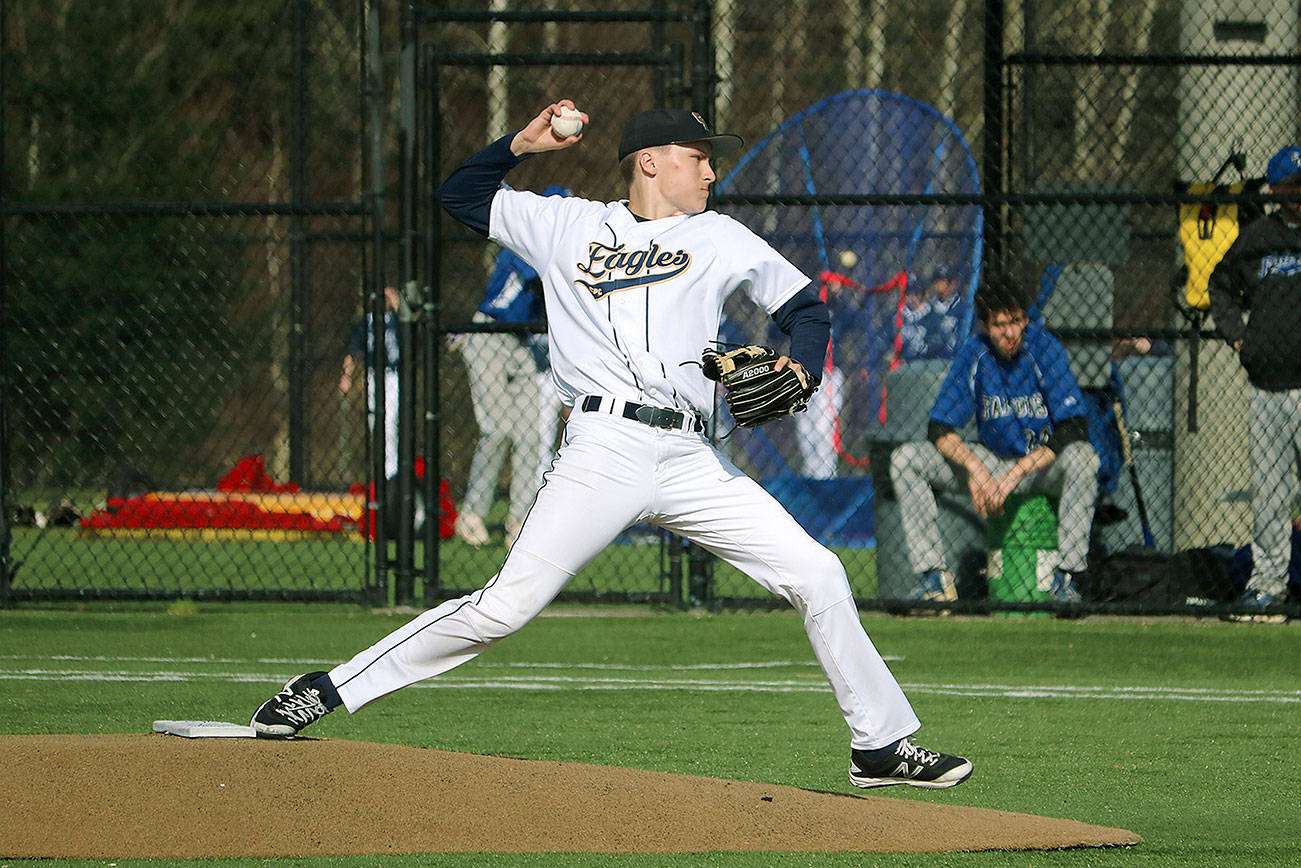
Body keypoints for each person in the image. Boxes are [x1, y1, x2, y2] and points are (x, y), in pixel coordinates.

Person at [249, 101, 972, 791]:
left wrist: (804, 366)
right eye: (698, 158)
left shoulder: (720, 236)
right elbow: (458, 195)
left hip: (691, 458)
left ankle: (877, 744)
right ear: (651, 162)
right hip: (602, 448)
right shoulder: (566, 226)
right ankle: (327, 688)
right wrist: (522, 147)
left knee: (818, 574)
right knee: (504, 608)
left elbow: (808, 307)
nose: (711, 172)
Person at [889, 279, 1100, 604]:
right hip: (992, 462)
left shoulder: (1044, 349)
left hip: (1041, 465)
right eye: (1000, 325)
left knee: (1085, 458)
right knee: (906, 459)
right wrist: (975, 468)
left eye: (1016, 321)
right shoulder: (975, 353)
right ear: (985, 325)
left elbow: (1073, 428)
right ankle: (934, 581)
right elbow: (938, 428)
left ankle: (1065, 579)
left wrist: (1015, 475)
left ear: (1025, 319)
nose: (1010, 333)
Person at [1207, 144, 1301, 619]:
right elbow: (1219, 284)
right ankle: (1268, 586)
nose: (1298, 196)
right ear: (1275, 190)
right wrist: (1239, 338)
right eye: (1289, 188)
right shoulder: (1259, 237)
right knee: (1269, 490)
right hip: (1266, 383)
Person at [453, 186, 569, 547]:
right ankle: (472, 513)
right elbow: (538, 274)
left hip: (521, 344)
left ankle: (519, 521)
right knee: (498, 428)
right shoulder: (524, 245)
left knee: (531, 435)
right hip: (489, 334)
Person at [340, 285, 400, 479]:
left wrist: (396, 299)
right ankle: (385, 472)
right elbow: (352, 351)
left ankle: (393, 473)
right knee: (377, 424)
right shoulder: (366, 322)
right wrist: (346, 377)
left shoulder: (396, 320)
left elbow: (410, 327)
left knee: (391, 422)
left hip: (394, 375)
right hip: (374, 375)